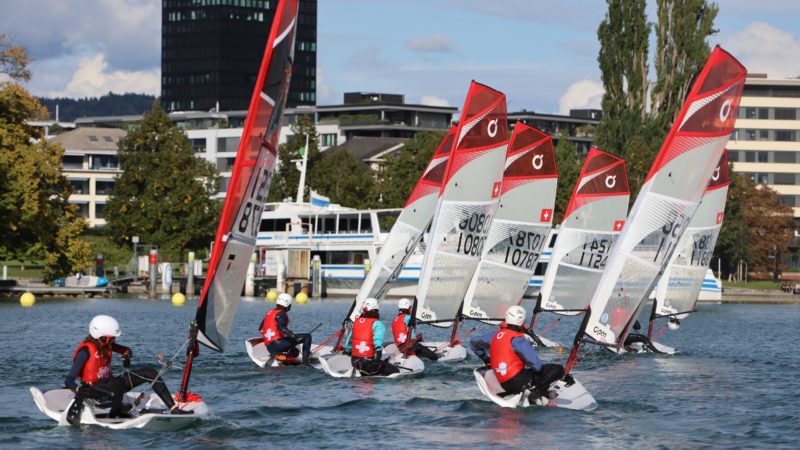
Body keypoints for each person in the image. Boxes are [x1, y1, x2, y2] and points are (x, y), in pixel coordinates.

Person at [65, 315, 190, 423]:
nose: (113, 340)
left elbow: (127, 350)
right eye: (110, 338)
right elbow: (69, 380)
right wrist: (79, 389)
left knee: (149, 372)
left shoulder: (107, 345)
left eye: (113, 338)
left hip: (111, 386)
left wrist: (126, 356)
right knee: (117, 383)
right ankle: (115, 409)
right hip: (94, 391)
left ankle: (174, 409)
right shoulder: (85, 351)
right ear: (100, 335)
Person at [470, 305, 570, 405]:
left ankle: (524, 391)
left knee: (527, 371)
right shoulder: (519, 340)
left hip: (503, 383)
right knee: (557, 369)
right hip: (518, 382)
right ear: (522, 321)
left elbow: (472, 343)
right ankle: (536, 392)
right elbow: (537, 366)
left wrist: (487, 361)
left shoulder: (494, 335)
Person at [344, 298, 399, 376]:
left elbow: (349, 344)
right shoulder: (378, 324)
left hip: (354, 362)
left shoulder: (356, 322)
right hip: (368, 365)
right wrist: (378, 358)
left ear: (365, 309)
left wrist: (347, 351)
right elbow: (378, 343)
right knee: (396, 371)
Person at [259, 293, 313, 364]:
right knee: (307, 336)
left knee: (295, 351)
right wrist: (293, 335)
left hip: (269, 347)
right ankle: (306, 361)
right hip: (278, 345)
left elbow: (261, 329)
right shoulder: (282, 313)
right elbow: (282, 328)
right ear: (288, 305)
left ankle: (281, 356)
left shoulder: (270, 312)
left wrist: (282, 336)